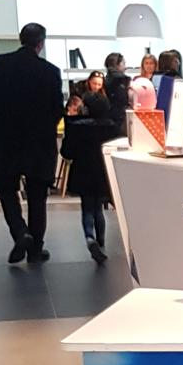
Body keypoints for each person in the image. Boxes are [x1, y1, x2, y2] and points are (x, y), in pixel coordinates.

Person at [0, 22, 64, 264]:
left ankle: (20, 232)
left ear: (21, 39)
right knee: (37, 196)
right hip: (39, 142)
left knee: (5, 190)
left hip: (4, 140)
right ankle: (36, 249)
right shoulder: (50, 72)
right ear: (41, 43)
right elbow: (57, 109)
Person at [60, 92, 118, 264]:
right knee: (99, 208)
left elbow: (66, 152)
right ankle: (101, 242)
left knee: (87, 208)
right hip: (103, 173)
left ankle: (89, 237)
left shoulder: (77, 127)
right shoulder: (112, 127)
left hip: (83, 172)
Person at [104, 52, 130, 136]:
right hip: (121, 118)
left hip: (107, 119)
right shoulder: (123, 81)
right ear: (117, 65)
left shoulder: (104, 81)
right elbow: (124, 100)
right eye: (123, 64)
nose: (125, 67)